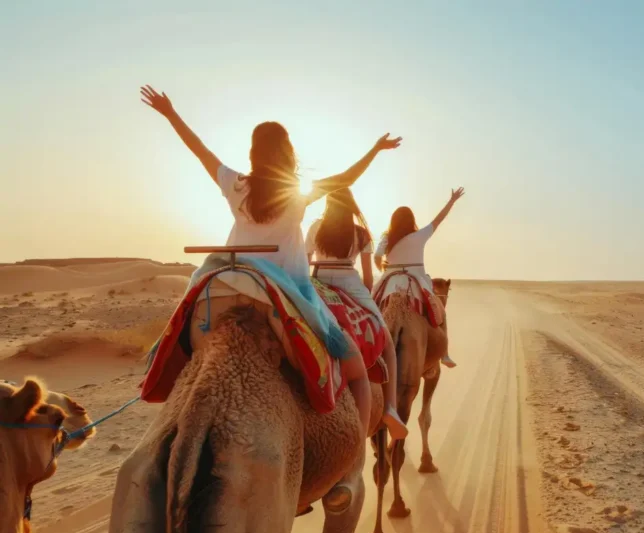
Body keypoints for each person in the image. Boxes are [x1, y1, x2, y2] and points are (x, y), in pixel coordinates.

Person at [139, 85, 400, 437]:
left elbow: (200, 150)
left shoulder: (236, 184)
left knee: (181, 351)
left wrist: (170, 113)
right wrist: (375, 150)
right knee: (353, 365)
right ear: (288, 153)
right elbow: (347, 179)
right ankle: (352, 461)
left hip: (221, 286)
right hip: (282, 293)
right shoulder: (297, 193)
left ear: (253, 153)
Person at [305, 189, 407, 439]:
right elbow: (370, 279)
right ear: (351, 205)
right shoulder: (361, 233)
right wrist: (362, 302)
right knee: (387, 344)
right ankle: (391, 408)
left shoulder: (315, 227)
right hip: (351, 283)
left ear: (328, 204)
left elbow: (303, 264)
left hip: (317, 283)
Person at [374, 188, 466, 368]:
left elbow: (377, 258)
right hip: (416, 279)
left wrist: (384, 268)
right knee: (440, 311)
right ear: (412, 221)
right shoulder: (419, 235)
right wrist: (452, 201)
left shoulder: (387, 237)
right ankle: (444, 354)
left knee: (371, 305)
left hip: (390, 279)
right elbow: (438, 220)